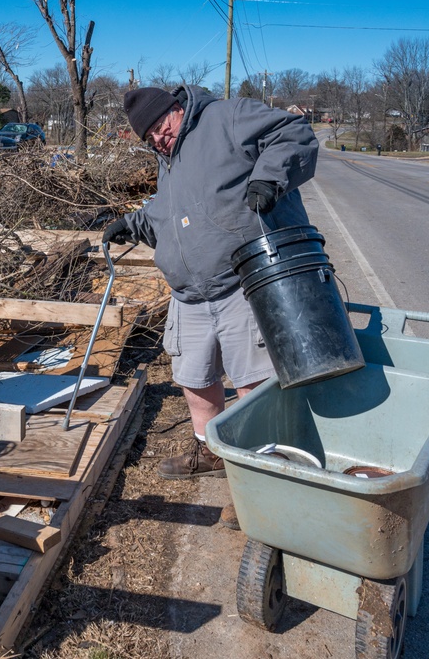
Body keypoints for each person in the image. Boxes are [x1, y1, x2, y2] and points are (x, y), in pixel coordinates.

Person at [103, 84, 318, 528]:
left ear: (177, 108)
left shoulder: (227, 117)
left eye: (162, 129)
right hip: (190, 293)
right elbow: (173, 209)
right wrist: (132, 223)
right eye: (151, 139)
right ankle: (212, 451)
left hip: (244, 278)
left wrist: (268, 178)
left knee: (254, 383)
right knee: (194, 378)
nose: (159, 140)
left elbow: (294, 132)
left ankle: (262, 475)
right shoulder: (169, 158)